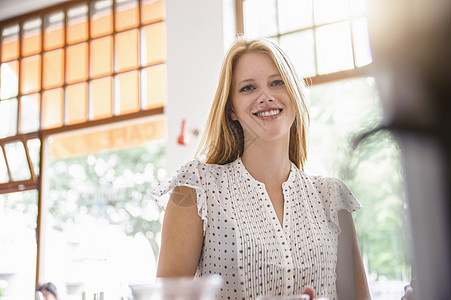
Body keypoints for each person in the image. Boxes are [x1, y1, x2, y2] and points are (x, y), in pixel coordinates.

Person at [153, 37, 371, 300]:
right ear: (231, 109)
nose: (265, 96)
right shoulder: (197, 187)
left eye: (277, 82)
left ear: (294, 94)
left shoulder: (331, 197)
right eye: (248, 88)